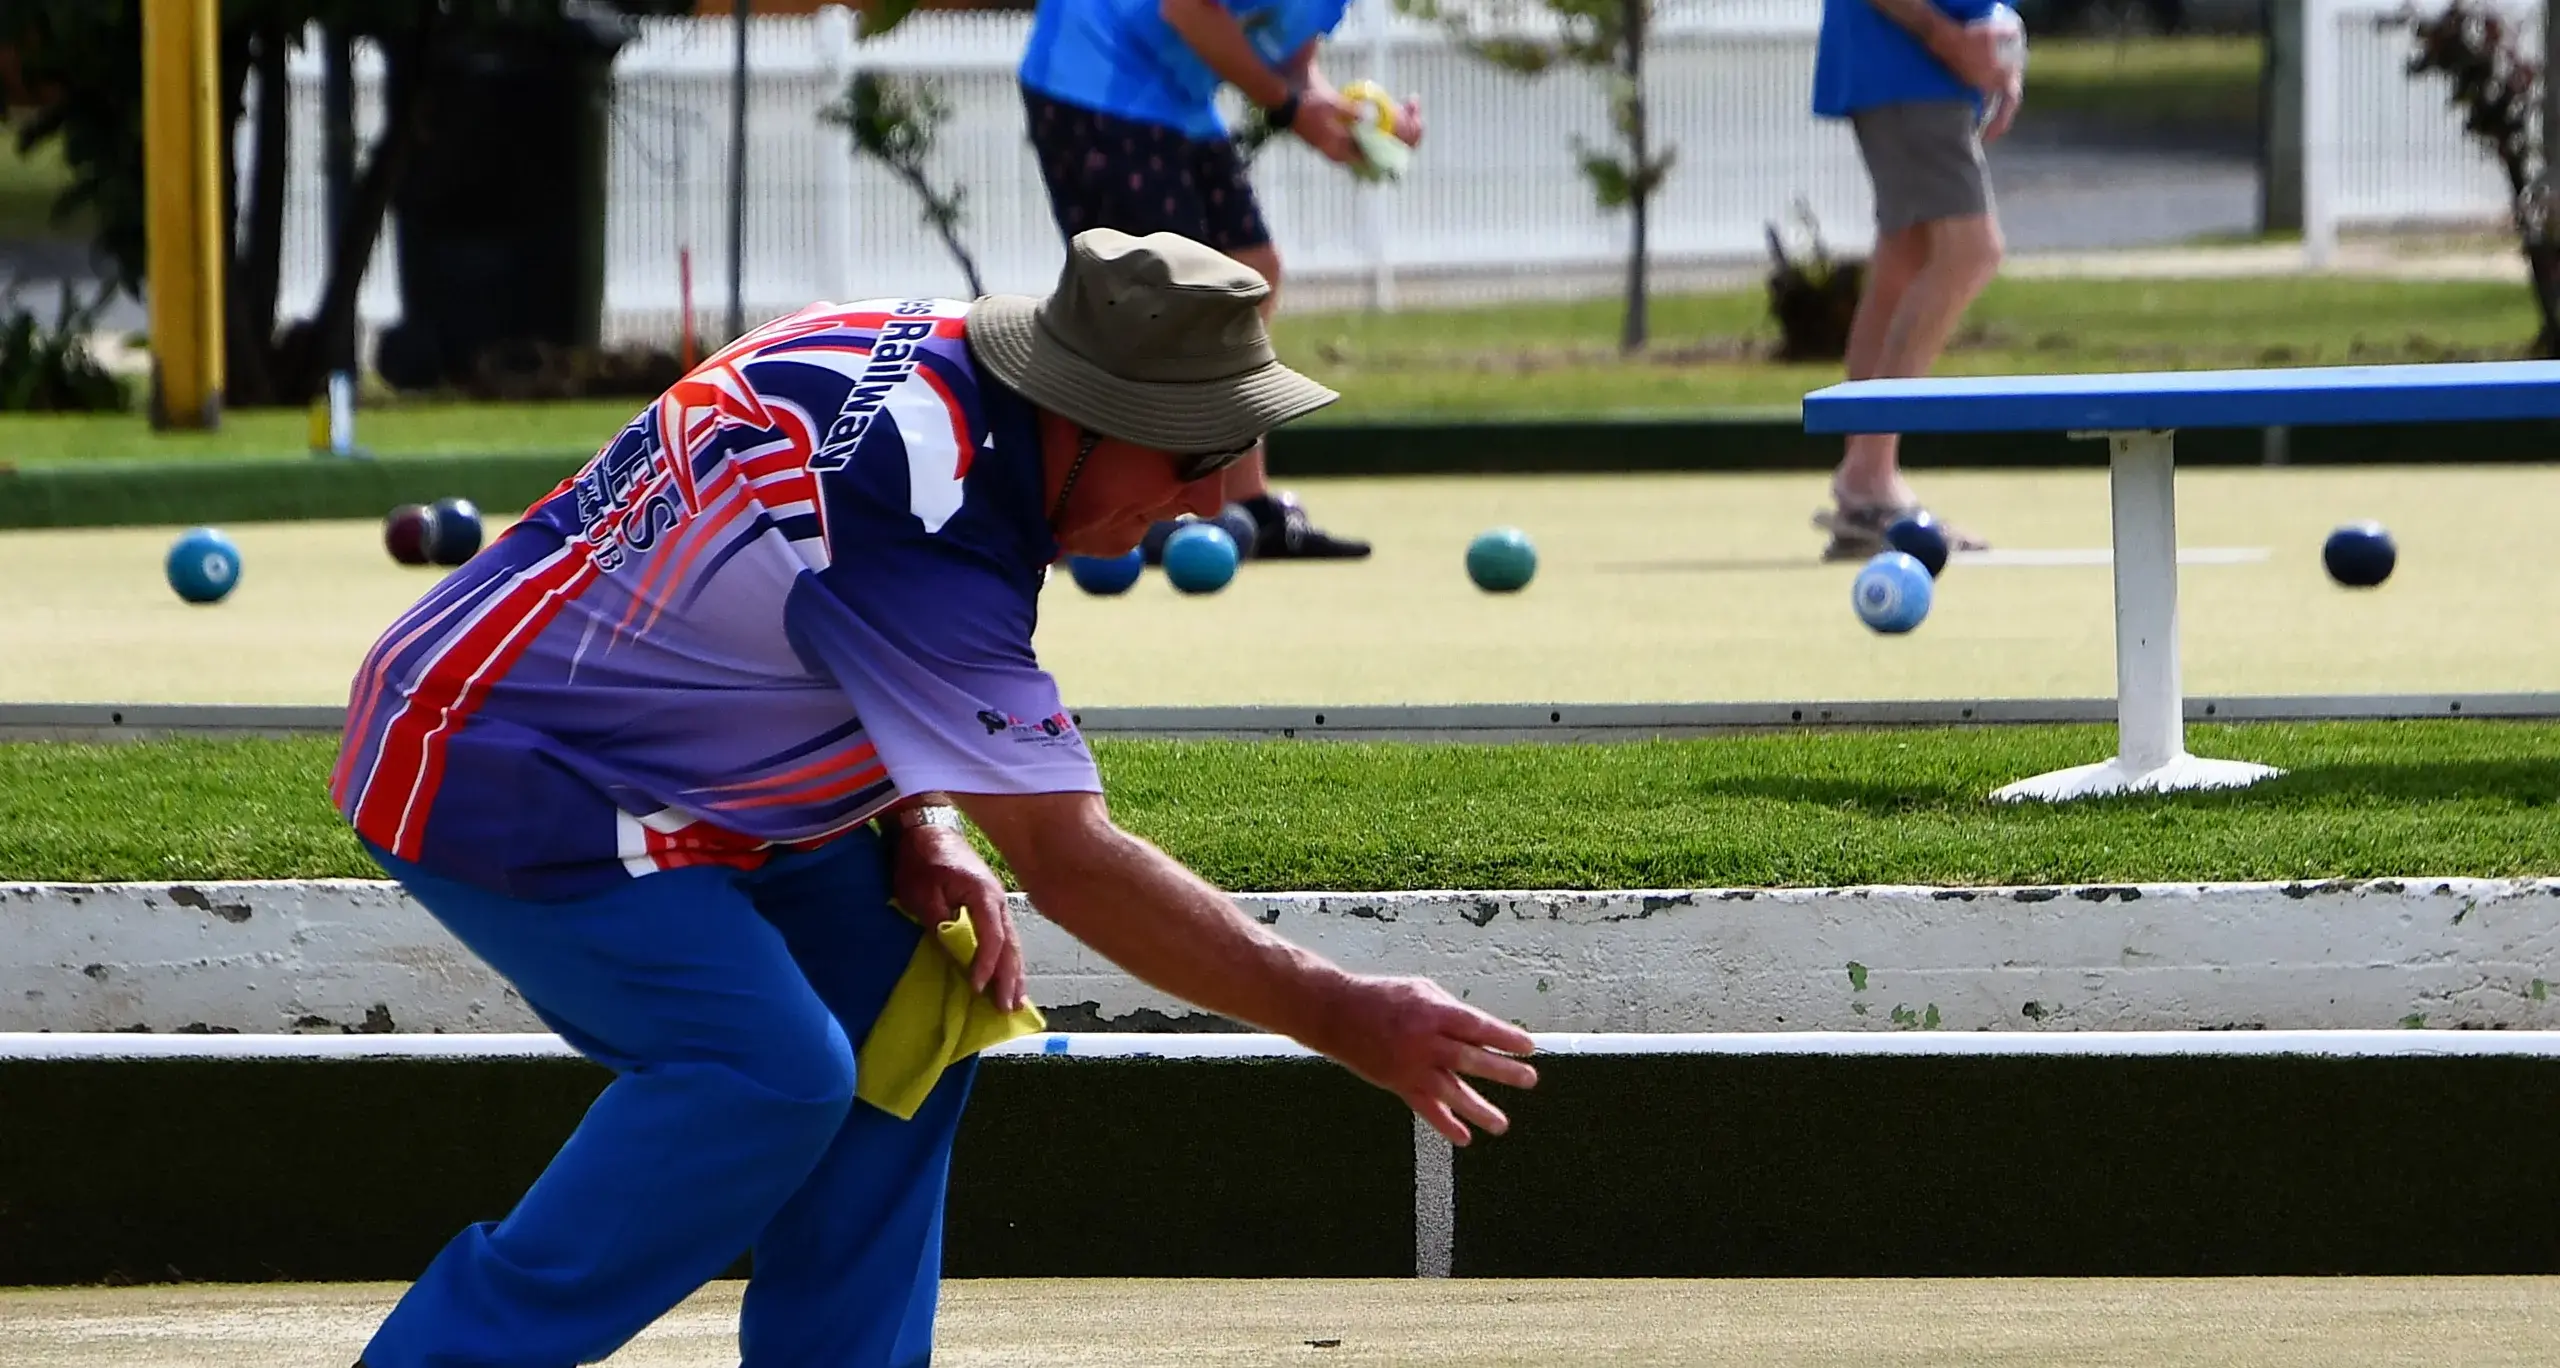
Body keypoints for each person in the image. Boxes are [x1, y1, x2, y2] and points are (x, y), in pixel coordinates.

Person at [329, 228, 1538, 1368]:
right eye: (1193, 455)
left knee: (917, 1003)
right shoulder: (921, 513)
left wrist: (921, 819)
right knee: (768, 1072)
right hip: (502, 760)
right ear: (1088, 416)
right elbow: (1068, 862)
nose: (1210, 503)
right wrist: (1340, 1014)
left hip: (689, 765)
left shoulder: (951, 360)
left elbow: (793, 607)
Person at [1015, 0, 1423, 561]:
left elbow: (1293, 62)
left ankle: (1245, 502)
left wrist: (1343, 119)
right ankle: (1112, 504)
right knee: (1160, 294)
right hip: (1093, 73)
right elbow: (1187, 9)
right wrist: (1288, 109)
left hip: (1178, 98)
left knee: (1251, 269)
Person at [1808, 0, 2023, 560]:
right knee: (1970, 252)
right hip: (1909, 62)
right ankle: (1868, 479)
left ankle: (1867, 493)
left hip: (1920, 66)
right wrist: (1945, 35)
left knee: (1907, 260)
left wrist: (2002, 54)